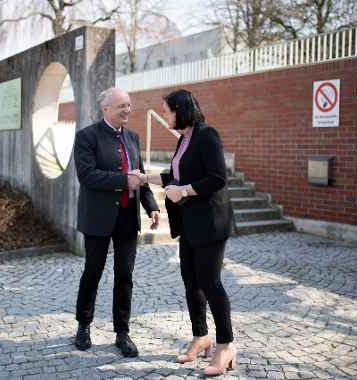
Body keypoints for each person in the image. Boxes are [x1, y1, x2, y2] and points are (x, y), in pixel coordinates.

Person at [131, 89, 236, 376]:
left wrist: (184, 191)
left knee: (210, 282)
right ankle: (201, 337)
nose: (164, 116)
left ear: (181, 109)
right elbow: (175, 176)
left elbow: (217, 178)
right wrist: (145, 178)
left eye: (166, 111)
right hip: (190, 224)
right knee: (191, 282)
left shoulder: (206, 135)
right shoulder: (185, 139)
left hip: (211, 223)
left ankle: (225, 346)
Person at [73, 87, 160, 358]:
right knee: (93, 272)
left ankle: (122, 332)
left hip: (126, 218)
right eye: (122, 105)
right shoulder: (87, 137)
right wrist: (124, 180)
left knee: (125, 276)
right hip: (98, 218)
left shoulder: (132, 138)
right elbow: (87, 175)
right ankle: (83, 325)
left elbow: (140, 177)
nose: (127, 110)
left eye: (129, 105)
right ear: (106, 108)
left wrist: (151, 206)